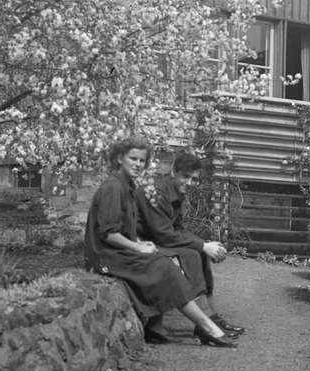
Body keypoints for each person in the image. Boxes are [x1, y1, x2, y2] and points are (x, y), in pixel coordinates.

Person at [83, 137, 235, 348]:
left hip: (115, 251)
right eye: (132, 159)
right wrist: (138, 246)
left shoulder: (125, 186)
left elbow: (128, 228)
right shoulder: (113, 187)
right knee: (164, 267)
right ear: (119, 158)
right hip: (104, 257)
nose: (138, 164)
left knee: (165, 259)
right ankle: (208, 328)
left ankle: (158, 327)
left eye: (142, 160)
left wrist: (139, 243)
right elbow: (108, 234)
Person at [134, 151, 242, 338]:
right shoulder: (158, 193)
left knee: (198, 252)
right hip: (139, 243)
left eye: (194, 179)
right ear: (173, 172)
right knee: (192, 254)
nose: (190, 183)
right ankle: (206, 322)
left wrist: (204, 245)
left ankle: (211, 317)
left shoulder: (175, 192)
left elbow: (178, 228)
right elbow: (165, 235)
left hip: (155, 240)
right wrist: (202, 246)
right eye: (185, 176)